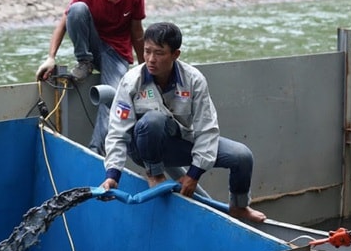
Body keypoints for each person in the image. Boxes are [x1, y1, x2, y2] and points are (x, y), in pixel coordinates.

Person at [99, 22, 266, 223]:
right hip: (144, 147)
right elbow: (118, 132)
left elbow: (207, 129)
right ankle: (155, 174)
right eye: (147, 51)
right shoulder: (131, 81)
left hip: (180, 142)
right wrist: (112, 175)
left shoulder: (194, 80)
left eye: (159, 53)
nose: (151, 59)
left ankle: (239, 207)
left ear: (175, 54)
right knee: (153, 119)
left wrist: (193, 175)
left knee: (242, 156)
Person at [35, 0, 146, 155]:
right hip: (93, 47)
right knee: (76, 10)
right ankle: (84, 62)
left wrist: (142, 67)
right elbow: (63, 23)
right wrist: (51, 58)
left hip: (117, 53)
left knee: (113, 98)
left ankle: (96, 150)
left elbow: (137, 32)